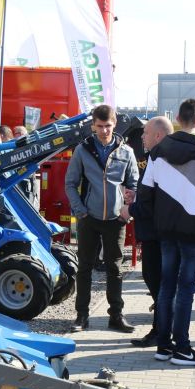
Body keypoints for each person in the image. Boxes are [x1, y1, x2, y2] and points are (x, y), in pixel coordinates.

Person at [128, 98, 195, 365]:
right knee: (186, 289)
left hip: (166, 230)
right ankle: (182, 348)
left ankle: (163, 345)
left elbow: (145, 194)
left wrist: (137, 214)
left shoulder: (157, 152)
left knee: (166, 287)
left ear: (179, 120)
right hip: (194, 230)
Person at [66, 104, 139, 333]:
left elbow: (134, 183)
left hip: (116, 220)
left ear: (114, 123)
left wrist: (128, 208)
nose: (105, 130)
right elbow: (70, 183)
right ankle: (81, 316)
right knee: (85, 268)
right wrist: (80, 210)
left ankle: (116, 315)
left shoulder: (126, 152)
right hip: (89, 217)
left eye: (108, 126)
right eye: (100, 126)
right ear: (93, 125)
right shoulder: (82, 150)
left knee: (115, 268)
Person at [127, 116, 173, 348]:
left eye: (145, 132)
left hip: (157, 233)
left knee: (158, 283)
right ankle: (162, 328)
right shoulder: (155, 157)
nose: (142, 137)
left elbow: (153, 202)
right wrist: (136, 197)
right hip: (156, 231)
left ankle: (161, 331)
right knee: (157, 283)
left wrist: (130, 208)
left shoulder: (160, 158)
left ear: (158, 135)